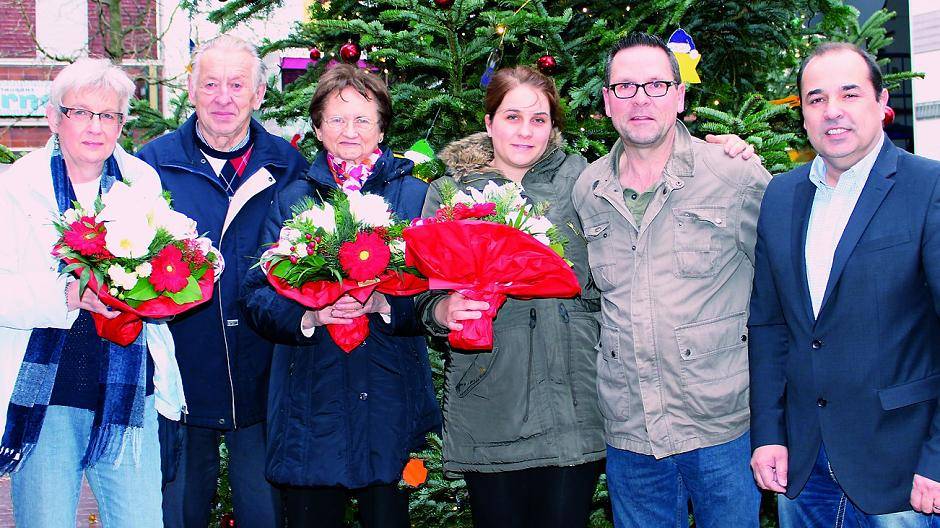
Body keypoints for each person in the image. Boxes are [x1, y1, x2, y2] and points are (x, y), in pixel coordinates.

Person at [572, 32, 772, 528]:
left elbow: (779, 294)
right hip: (631, 436)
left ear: (680, 96)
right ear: (606, 101)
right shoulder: (589, 190)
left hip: (722, 431)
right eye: (625, 87)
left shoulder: (734, 175)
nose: (640, 99)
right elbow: (590, 299)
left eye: (657, 85)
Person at [241, 63, 441, 528]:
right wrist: (311, 315)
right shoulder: (293, 200)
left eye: (362, 120)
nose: (349, 131)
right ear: (317, 127)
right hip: (312, 396)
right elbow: (255, 294)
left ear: (382, 128)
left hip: (388, 391)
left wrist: (386, 304)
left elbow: (438, 289)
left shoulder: (415, 197)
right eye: (336, 119)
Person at [749, 42, 940, 527]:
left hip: (901, 468)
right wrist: (769, 433)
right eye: (816, 99)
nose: (832, 111)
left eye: (849, 94)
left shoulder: (928, 187)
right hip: (804, 464)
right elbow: (771, 325)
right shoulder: (782, 195)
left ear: (881, 105)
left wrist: (937, 459)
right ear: (804, 117)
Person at [415, 66, 604, 528]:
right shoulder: (449, 194)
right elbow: (421, 292)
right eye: (512, 116)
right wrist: (444, 310)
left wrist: (724, 145)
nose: (525, 131)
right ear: (489, 122)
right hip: (492, 400)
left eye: (538, 119)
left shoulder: (585, 181)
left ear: (553, 127)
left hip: (574, 403)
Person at [0, 57, 184, 527]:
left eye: (109, 115)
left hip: (127, 391)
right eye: (81, 112)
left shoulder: (142, 182)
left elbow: (173, 263)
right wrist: (61, 295)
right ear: (54, 117)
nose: (95, 127)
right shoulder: (15, 187)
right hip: (48, 390)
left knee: (141, 519)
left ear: (122, 123)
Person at [137, 34, 309, 527]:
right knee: (177, 513)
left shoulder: (286, 165)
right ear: (190, 90)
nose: (223, 97)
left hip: (265, 377)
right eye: (210, 84)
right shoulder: (152, 165)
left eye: (237, 85)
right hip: (181, 378)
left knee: (266, 514)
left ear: (258, 96)